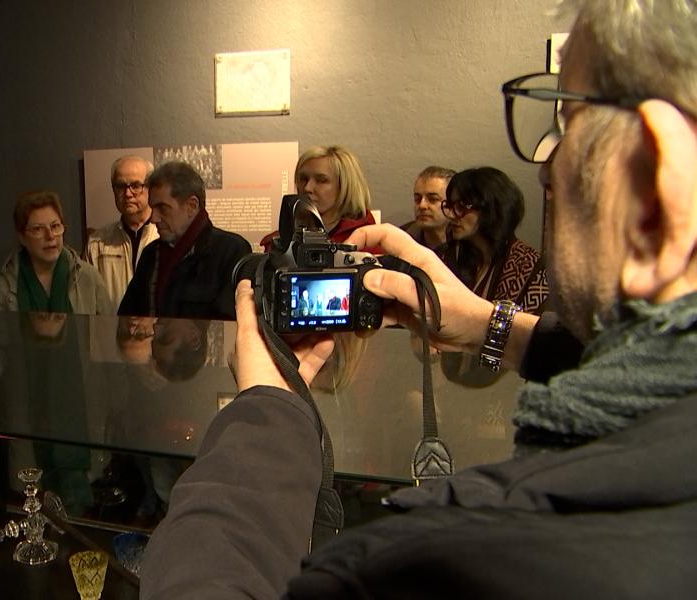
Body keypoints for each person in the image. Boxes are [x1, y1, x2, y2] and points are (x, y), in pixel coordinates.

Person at [140, 0, 697, 596]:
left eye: (567, 117)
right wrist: (497, 329)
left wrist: (262, 416)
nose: (546, 166)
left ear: (650, 196)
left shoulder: (438, 567)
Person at [119, 161, 251, 320]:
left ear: (192, 206)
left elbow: (233, 324)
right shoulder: (151, 255)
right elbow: (126, 317)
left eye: (162, 208)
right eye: (153, 208)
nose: (153, 218)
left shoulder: (231, 251)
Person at [0, 189, 113, 314]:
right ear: (22, 237)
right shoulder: (2, 287)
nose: (50, 236)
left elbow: (108, 331)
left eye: (55, 226)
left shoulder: (88, 277)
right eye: (38, 229)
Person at [439, 166, 548, 314]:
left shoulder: (530, 266)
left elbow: (529, 330)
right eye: (450, 206)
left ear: (491, 208)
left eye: (460, 206)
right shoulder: (447, 258)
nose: (451, 215)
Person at [261, 145, 377, 251]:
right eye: (303, 179)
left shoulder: (370, 242)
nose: (307, 188)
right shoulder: (279, 244)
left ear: (345, 186)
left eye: (321, 180)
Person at [86, 155, 160, 307]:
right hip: (112, 329)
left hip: (157, 329)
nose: (127, 194)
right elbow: (89, 299)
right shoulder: (97, 243)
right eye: (120, 186)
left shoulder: (164, 236)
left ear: (150, 187)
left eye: (135, 185)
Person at [399, 165, 456, 249]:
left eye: (433, 199)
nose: (422, 206)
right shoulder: (402, 238)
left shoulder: (466, 243)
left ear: (452, 203)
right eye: (417, 199)